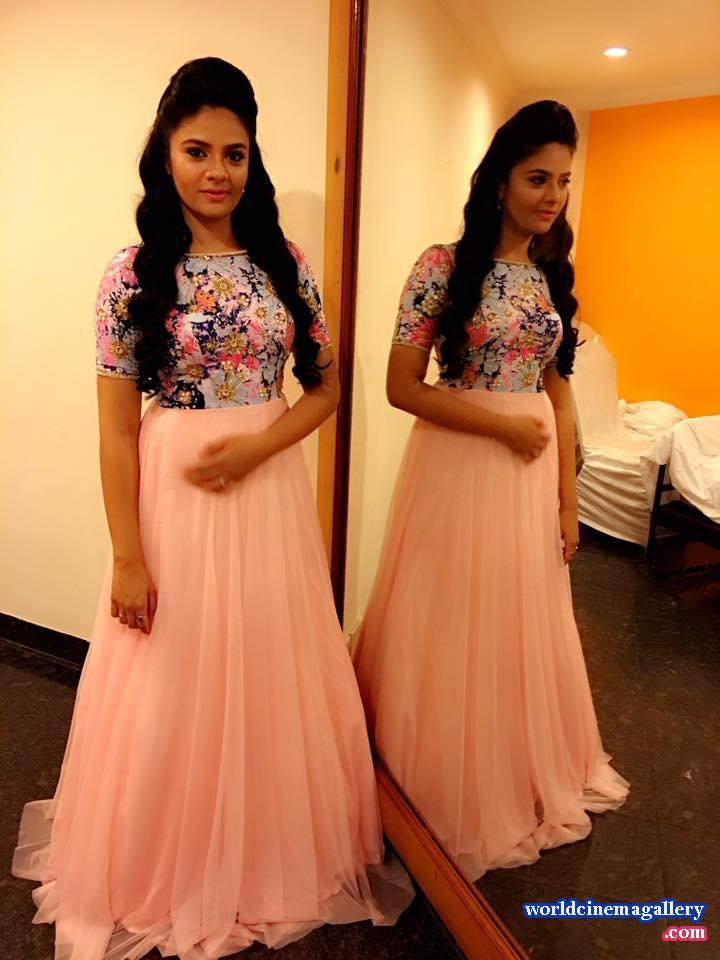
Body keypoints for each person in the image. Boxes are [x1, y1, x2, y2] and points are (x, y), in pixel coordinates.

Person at [12, 57, 411, 959]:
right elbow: (116, 432)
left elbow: (327, 387)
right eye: (198, 151)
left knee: (268, 662)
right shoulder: (130, 274)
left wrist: (260, 447)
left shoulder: (283, 262)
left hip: (266, 493)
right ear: (166, 153)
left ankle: (265, 851)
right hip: (174, 495)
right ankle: (167, 858)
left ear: (252, 157)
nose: (218, 171)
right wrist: (127, 555)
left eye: (235, 152)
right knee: (174, 671)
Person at [352, 101, 629, 881]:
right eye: (538, 178)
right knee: (449, 612)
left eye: (564, 181)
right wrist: (502, 429)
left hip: (529, 474)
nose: (553, 196)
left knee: (516, 614)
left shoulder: (549, 275)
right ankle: (431, 771)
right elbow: (401, 387)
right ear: (500, 181)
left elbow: (559, 392)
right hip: (459, 465)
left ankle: (509, 763)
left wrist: (568, 503)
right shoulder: (440, 266)